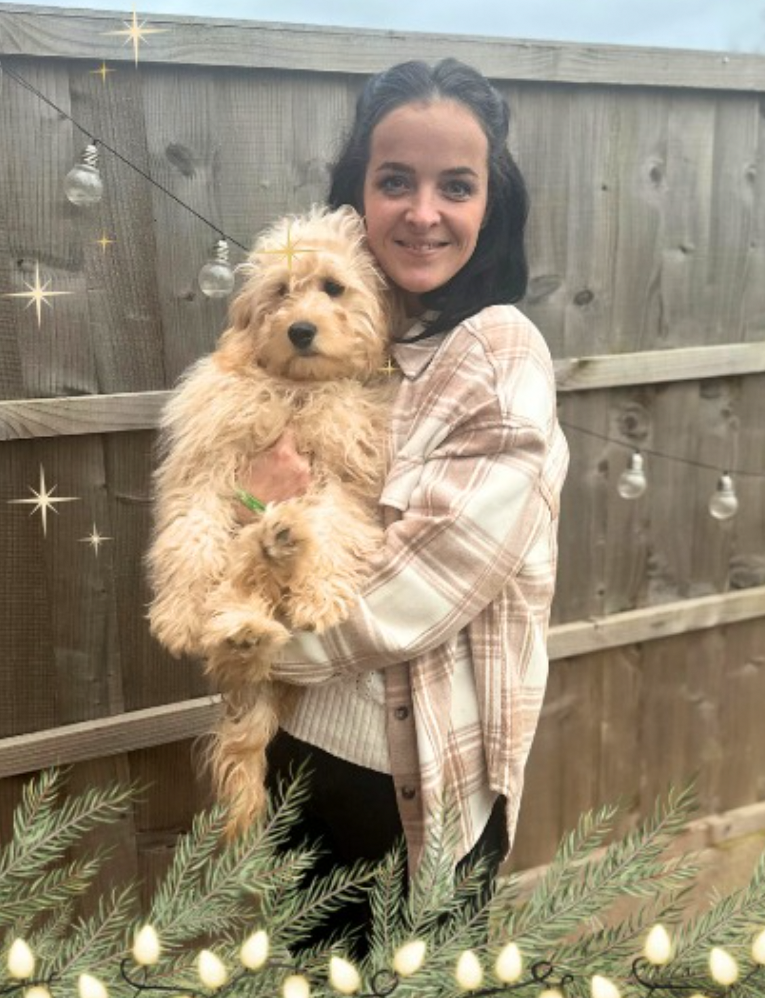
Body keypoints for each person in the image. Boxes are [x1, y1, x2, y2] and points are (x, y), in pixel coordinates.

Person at [244, 57, 569, 944]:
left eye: (454, 186)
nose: (423, 213)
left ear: (489, 204)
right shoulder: (348, 336)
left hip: (410, 789)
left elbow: (406, 601)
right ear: (357, 196)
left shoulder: (496, 351)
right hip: (297, 756)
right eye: (396, 181)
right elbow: (251, 488)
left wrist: (248, 635)